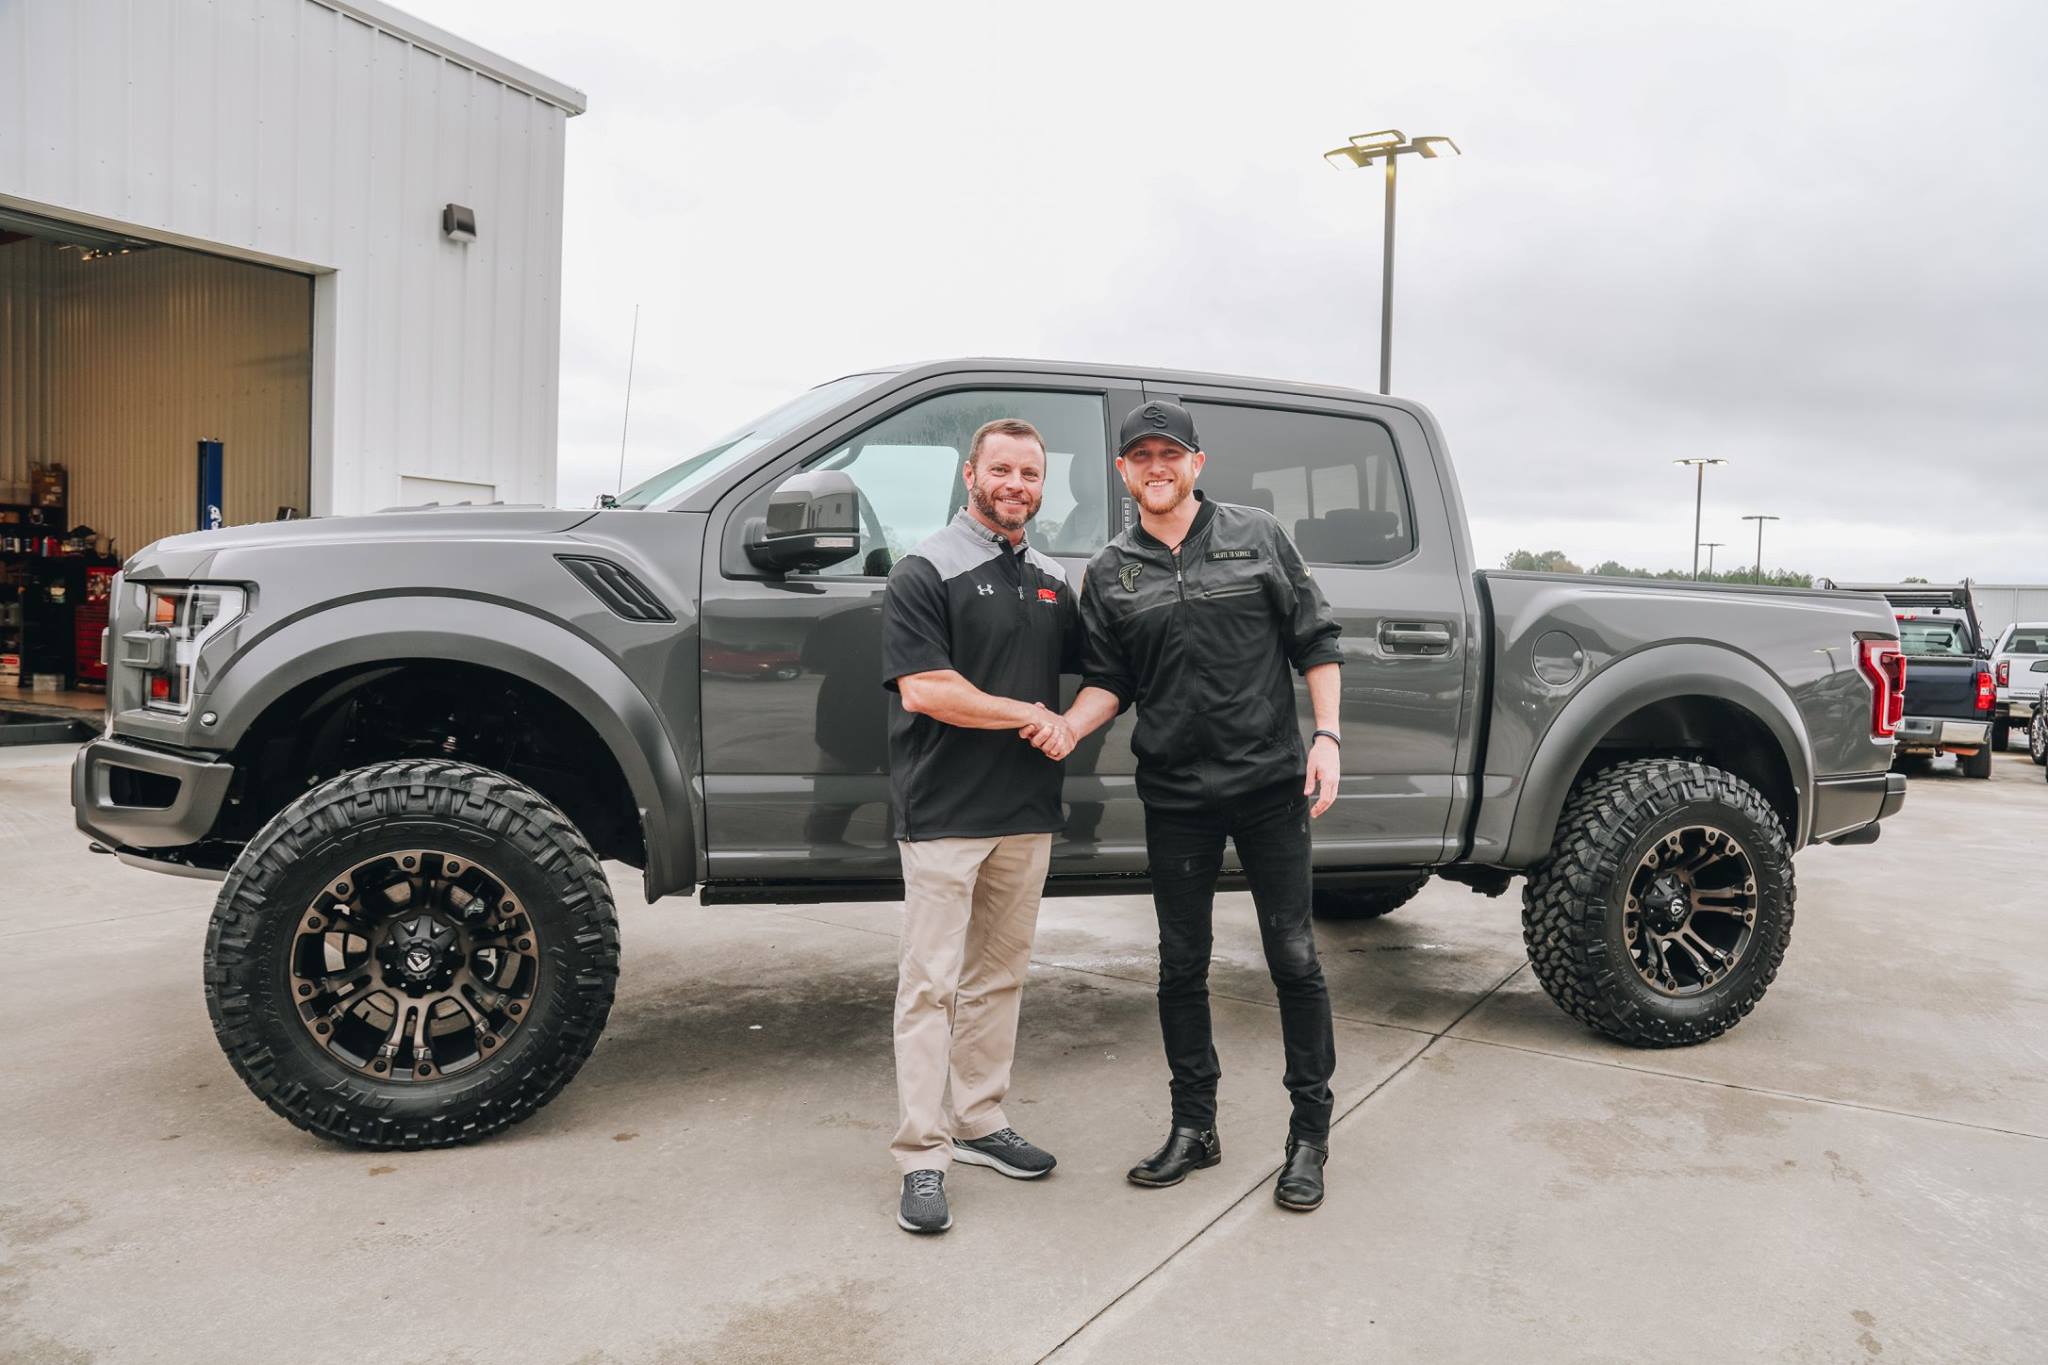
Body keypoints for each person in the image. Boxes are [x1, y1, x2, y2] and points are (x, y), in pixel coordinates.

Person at [1055, 400, 1345, 1213]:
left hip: (1268, 788)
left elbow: (1315, 641)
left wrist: (1326, 738)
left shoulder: (1257, 535)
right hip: (1176, 796)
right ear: (1123, 471)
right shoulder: (1109, 570)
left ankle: (1309, 1137)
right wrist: (1065, 726)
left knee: (1293, 957)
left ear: (1196, 463)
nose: (1157, 467)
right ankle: (1195, 1127)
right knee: (1181, 965)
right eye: (1141, 456)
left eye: (1170, 454)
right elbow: (1110, 680)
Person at [880, 417, 1082, 1234]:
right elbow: (927, 689)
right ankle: (922, 1156)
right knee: (930, 986)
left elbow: (1104, 672)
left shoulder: (1051, 577)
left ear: (1042, 485)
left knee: (999, 976)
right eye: (1002, 470)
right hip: (945, 813)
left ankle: (979, 1120)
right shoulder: (925, 569)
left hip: (1026, 812)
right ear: (972, 474)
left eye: (1030, 474)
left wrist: (1073, 723)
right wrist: (1031, 713)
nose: (1016, 486)